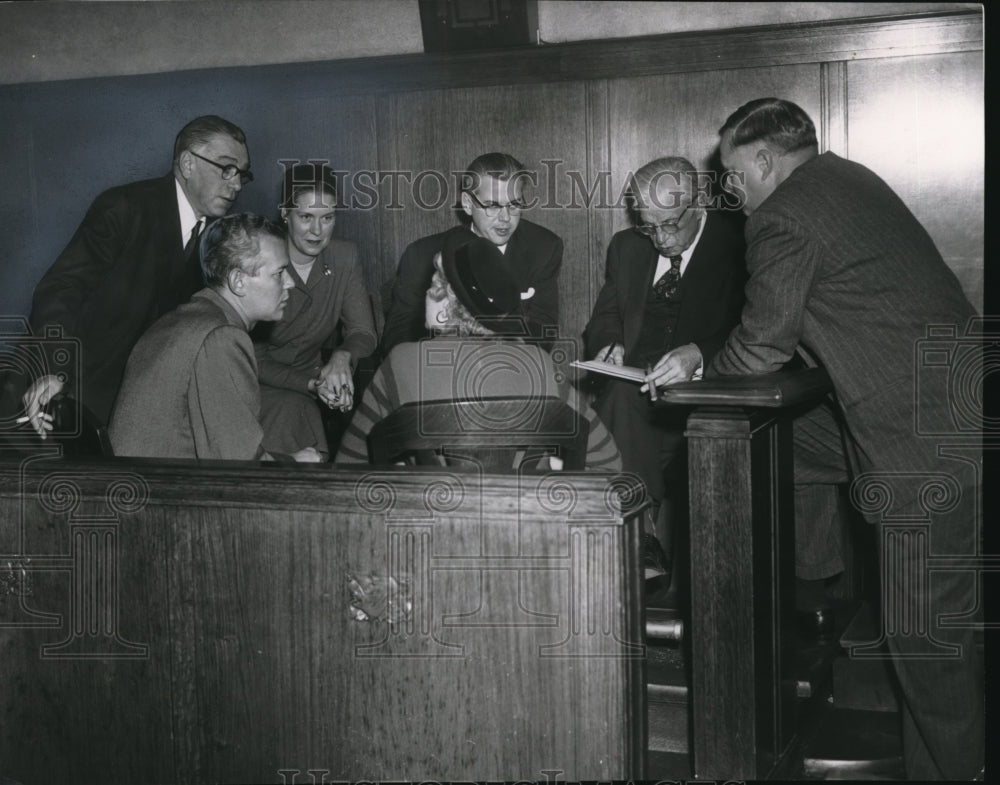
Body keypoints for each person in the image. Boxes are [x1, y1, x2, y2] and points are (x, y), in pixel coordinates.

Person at [712, 97, 982, 780]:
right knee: (788, 445)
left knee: (926, 641)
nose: (730, 190)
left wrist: (701, 375)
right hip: (949, 404)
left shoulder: (781, 214)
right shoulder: (848, 178)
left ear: (764, 161)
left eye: (732, 173)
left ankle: (964, 770)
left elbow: (762, 346)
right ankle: (814, 588)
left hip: (919, 440)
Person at [22, 115, 252, 437]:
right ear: (187, 163)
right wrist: (53, 370)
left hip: (133, 406)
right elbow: (60, 289)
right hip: (65, 394)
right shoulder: (123, 207)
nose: (237, 184)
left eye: (242, 174)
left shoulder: (214, 235)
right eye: (226, 168)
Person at [582, 156, 745, 577]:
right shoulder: (627, 246)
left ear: (699, 203)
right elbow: (604, 319)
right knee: (618, 396)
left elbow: (759, 327)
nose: (660, 237)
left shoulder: (741, 241)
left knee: (616, 427)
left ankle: (634, 541)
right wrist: (610, 344)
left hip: (707, 398)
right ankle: (641, 541)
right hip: (636, 395)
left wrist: (699, 354)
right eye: (648, 225)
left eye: (670, 223)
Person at [336, 236, 620, 472]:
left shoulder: (400, 363)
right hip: (527, 534)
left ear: (446, 308)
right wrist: (553, 470)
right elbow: (608, 463)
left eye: (433, 284)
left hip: (430, 533)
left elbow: (349, 467)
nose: (426, 291)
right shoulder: (541, 363)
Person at [109, 213, 320, 463]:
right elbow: (236, 465)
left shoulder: (185, 318)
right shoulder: (221, 336)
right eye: (279, 273)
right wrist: (294, 463)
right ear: (238, 282)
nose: (290, 283)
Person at [253, 163, 377, 459]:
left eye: (328, 218)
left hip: (309, 390)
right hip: (255, 387)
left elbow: (363, 332)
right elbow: (251, 360)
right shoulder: (261, 256)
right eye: (306, 217)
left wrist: (341, 357)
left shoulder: (345, 256)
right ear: (285, 213)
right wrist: (314, 383)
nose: (318, 231)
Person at [380, 152, 562, 353]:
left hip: (509, 369)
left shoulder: (543, 247)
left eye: (515, 204)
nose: (505, 218)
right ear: (467, 203)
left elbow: (543, 329)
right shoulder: (422, 254)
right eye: (492, 205)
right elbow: (398, 337)